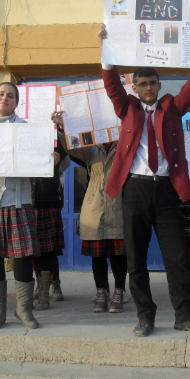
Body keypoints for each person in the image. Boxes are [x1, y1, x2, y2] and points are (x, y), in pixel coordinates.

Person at [97, 24, 190, 337]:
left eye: (152, 82)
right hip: (135, 190)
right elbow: (111, 86)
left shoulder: (172, 107)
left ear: (159, 84)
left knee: (178, 258)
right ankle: (145, 317)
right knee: (136, 260)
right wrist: (107, 51)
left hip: (166, 190)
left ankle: (185, 316)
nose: (149, 87)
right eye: (142, 84)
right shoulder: (127, 107)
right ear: (135, 87)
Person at [0, 82, 59, 330]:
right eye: (1, 95)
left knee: (23, 257)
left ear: (17, 102)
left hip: (19, 201)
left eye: (10, 96)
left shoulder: (28, 130)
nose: (5, 98)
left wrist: (51, 161)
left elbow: (39, 168)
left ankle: (23, 310)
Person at [52, 127, 129, 313]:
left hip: (120, 204)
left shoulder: (127, 142)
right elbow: (72, 147)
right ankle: (101, 293)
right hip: (95, 206)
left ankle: (119, 292)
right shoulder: (93, 145)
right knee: (98, 254)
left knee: (119, 254)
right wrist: (63, 128)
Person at [31, 139, 68, 310]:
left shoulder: (55, 137)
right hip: (27, 199)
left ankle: (53, 286)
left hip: (49, 197)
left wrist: (58, 160)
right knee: (32, 250)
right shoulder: (21, 130)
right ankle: (40, 285)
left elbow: (67, 161)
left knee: (49, 249)